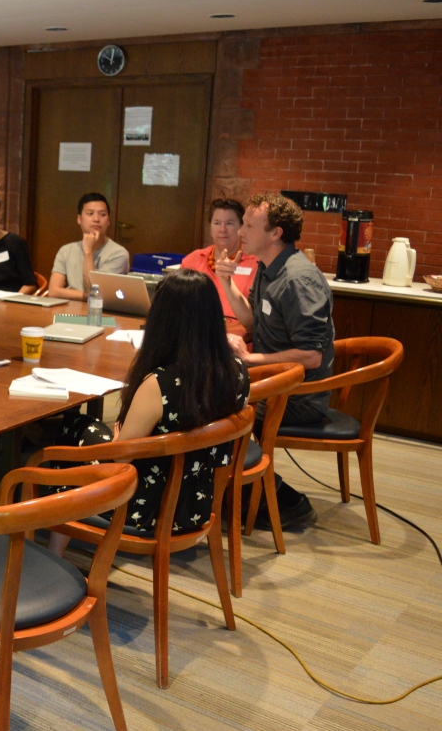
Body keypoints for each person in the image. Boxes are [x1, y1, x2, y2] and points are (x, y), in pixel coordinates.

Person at [47, 269, 250, 554]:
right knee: (81, 430)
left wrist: (119, 429)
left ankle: (53, 550)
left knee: (75, 431)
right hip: (197, 501)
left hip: (148, 507)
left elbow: (119, 455)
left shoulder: (160, 383)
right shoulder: (237, 369)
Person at [216, 192, 333, 527]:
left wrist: (251, 359)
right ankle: (234, 488)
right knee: (205, 394)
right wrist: (226, 282)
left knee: (215, 404)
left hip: (299, 395)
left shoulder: (298, 279)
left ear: (275, 233)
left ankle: (273, 496)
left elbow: (312, 355)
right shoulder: (268, 268)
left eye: (250, 226)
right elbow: (254, 322)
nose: (240, 232)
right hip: (270, 380)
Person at [181, 199, 260, 335]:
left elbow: (258, 322)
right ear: (210, 227)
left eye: (229, 223)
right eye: (217, 223)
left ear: (241, 228)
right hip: (193, 334)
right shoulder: (193, 259)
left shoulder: (257, 264)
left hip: (239, 340)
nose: (222, 230)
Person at [48, 192, 130, 300]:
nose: (96, 219)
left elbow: (94, 296)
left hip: (100, 313)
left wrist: (88, 252)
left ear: (109, 221)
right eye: (90, 213)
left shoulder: (119, 254)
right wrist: (85, 295)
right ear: (79, 219)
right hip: (69, 310)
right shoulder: (66, 250)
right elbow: (53, 291)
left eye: (102, 214)